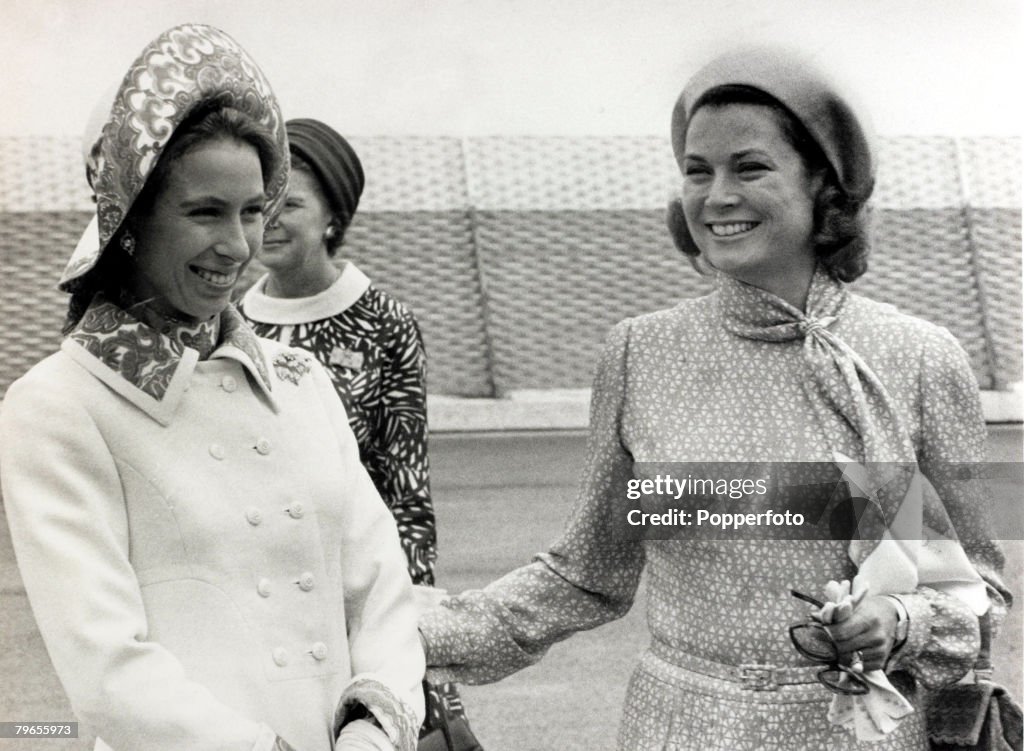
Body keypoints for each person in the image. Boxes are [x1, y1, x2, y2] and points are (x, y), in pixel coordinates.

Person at [418, 47, 1011, 749]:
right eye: (697, 172)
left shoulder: (916, 358)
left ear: (824, 183)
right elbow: (586, 573)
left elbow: (978, 594)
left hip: (857, 733)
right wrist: (402, 631)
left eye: (749, 166)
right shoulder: (640, 352)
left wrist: (901, 620)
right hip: (679, 728)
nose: (716, 195)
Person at [0, 24, 423, 751]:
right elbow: (108, 670)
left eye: (254, 210)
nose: (238, 246)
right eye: (204, 212)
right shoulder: (58, 407)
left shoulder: (302, 382)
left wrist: (374, 733)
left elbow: (381, 587)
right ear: (128, 219)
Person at [236, 120, 479, 744]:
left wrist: (414, 604)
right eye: (260, 203)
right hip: (259, 583)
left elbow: (406, 477)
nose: (270, 220)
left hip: (355, 582)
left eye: (290, 203)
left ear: (333, 218)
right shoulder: (228, 322)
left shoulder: (385, 323)